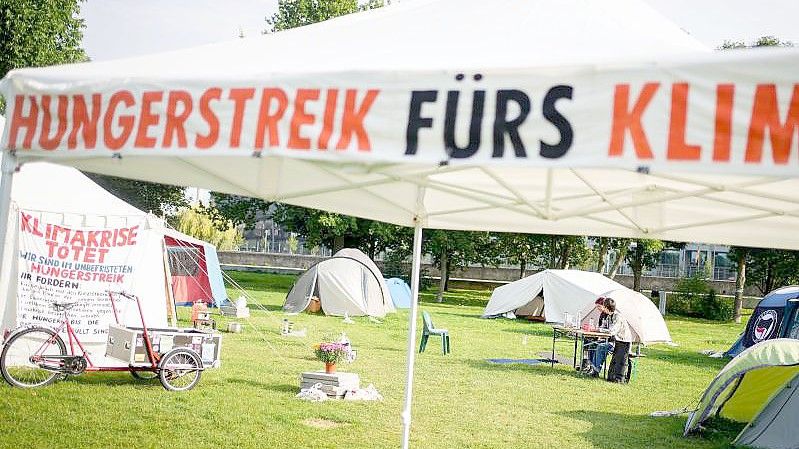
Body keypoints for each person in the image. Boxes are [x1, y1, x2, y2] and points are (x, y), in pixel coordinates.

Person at [582, 298, 632, 381]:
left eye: (603, 306)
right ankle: (592, 368)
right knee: (594, 344)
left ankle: (595, 370)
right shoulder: (609, 316)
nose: (602, 308)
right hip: (615, 342)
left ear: (606, 307)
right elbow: (605, 328)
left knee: (601, 347)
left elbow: (612, 331)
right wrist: (598, 329)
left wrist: (597, 330)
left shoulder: (617, 317)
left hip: (622, 344)